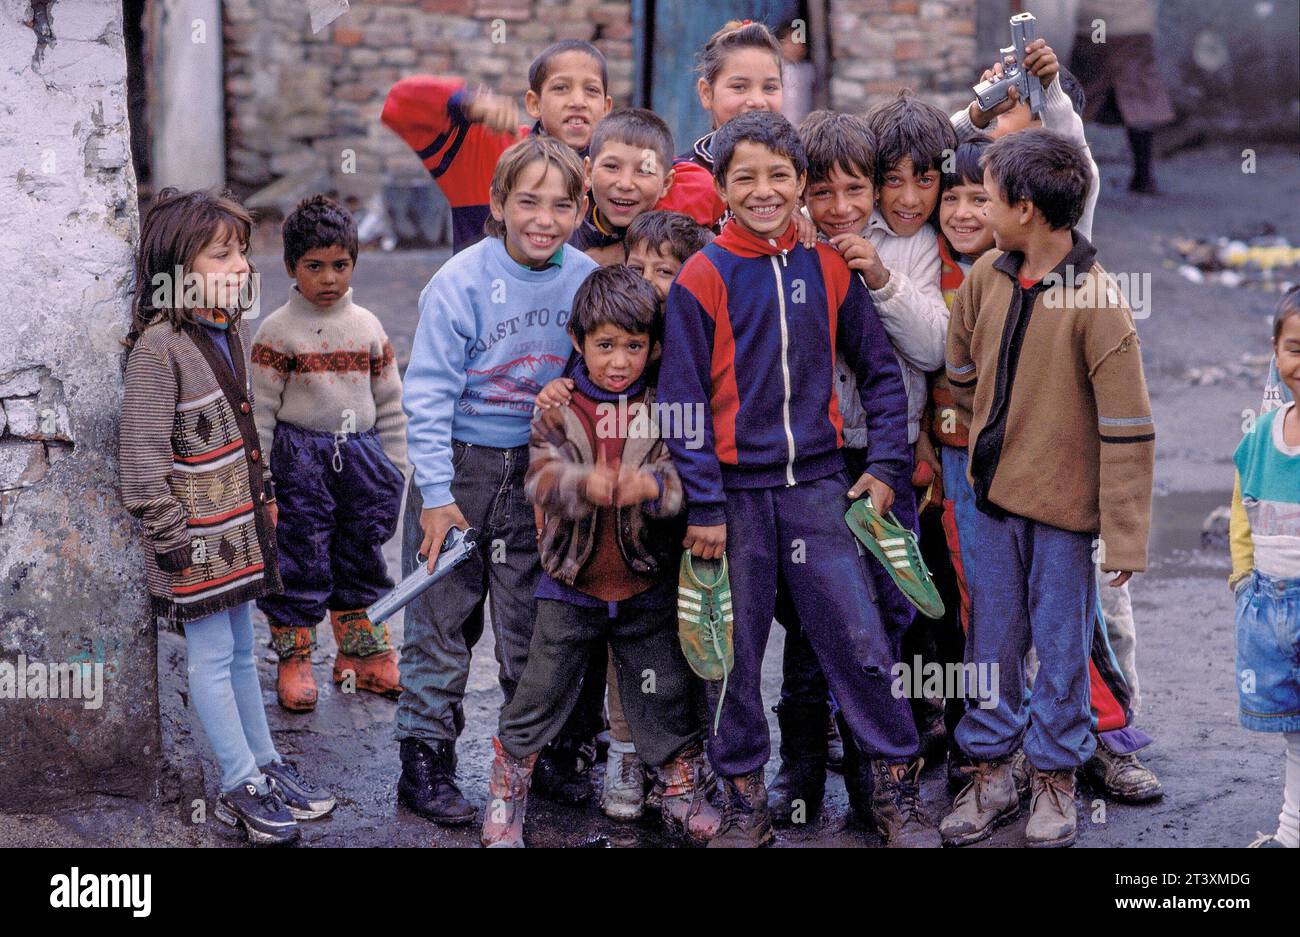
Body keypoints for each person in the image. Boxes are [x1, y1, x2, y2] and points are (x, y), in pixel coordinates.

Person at [658, 110, 936, 848]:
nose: (764, 190)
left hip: (820, 490)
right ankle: (746, 802)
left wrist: (882, 467)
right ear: (720, 186)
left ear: (800, 186)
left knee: (863, 640)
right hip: (733, 501)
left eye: (780, 175)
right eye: (745, 176)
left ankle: (892, 793)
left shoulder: (829, 267)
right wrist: (705, 505)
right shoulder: (701, 277)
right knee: (735, 655)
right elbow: (682, 407)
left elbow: (880, 374)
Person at [950, 43, 1164, 803]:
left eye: (990, 193)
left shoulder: (1097, 295)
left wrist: (1126, 531)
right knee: (995, 641)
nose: (975, 204)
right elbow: (962, 372)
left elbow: (1130, 425)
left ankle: (1069, 766)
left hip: (1071, 513)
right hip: (997, 501)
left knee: (1083, 639)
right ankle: (992, 768)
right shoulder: (987, 274)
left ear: (1026, 206)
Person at [119, 188, 333, 845]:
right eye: (222, 254)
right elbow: (141, 461)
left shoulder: (228, 331)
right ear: (175, 272)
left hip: (238, 535)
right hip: (195, 543)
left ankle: (264, 761)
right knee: (212, 657)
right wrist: (171, 538)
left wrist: (263, 498)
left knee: (244, 650)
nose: (241, 264)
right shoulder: (160, 349)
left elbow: (243, 432)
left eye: (241, 251)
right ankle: (238, 784)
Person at [396, 136, 598, 826]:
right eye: (528, 201)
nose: (543, 218)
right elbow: (425, 394)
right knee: (440, 619)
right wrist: (436, 496)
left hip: (538, 473)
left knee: (530, 624)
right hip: (458, 465)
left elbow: (601, 366)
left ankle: (529, 757)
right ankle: (424, 761)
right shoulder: (460, 281)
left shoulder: (584, 278)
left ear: (580, 209)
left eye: (561, 204)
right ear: (499, 204)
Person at [481, 266, 718, 847]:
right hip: (570, 583)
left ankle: (679, 788)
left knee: (660, 689)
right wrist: (585, 483)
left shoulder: (667, 407)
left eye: (634, 346)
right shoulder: (558, 410)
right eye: (604, 345)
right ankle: (507, 790)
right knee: (541, 688)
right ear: (579, 343)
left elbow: (688, 476)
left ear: (654, 347)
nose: (618, 361)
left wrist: (655, 488)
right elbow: (540, 480)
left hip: (645, 583)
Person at [767, 101, 955, 827]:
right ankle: (801, 769)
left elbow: (932, 347)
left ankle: (886, 777)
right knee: (815, 620)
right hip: (813, 461)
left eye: (856, 189)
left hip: (889, 451)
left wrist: (877, 275)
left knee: (887, 612)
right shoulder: (787, 245)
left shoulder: (903, 247)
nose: (842, 206)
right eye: (823, 191)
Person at [536, 209, 715, 820]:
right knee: (608, 657)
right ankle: (624, 755)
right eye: (637, 266)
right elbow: (556, 454)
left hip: (663, 547)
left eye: (665, 271)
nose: (649, 280)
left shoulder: (680, 364)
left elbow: (688, 462)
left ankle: (687, 765)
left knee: (683, 648)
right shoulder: (588, 375)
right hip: (592, 559)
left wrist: (658, 488)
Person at [250, 196, 407, 712]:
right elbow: (263, 411)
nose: (328, 278)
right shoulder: (276, 331)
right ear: (292, 267)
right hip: (300, 459)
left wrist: (394, 465)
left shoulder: (367, 326)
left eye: (340, 265)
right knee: (300, 552)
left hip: (360, 456)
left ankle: (359, 656)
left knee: (361, 551)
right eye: (314, 266)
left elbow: (389, 401)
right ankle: (295, 660)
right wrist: (264, 479)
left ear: (354, 264)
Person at [381, 40, 613, 254]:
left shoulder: (619, 172)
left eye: (591, 90)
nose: (578, 101)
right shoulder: (492, 147)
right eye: (561, 88)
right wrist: (466, 103)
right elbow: (399, 105)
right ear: (534, 103)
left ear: (606, 107)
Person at [1232, 286, 1300, 849]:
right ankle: (1291, 830)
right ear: (1276, 353)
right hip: (1269, 603)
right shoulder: (1260, 435)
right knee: (1294, 730)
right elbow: (1243, 507)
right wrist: (1241, 577)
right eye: (1295, 348)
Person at [1068, 0, 1175, 194]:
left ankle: (1066, 174)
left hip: (1091, 25)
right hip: (1134, 27)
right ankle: (1143, 177)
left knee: (1081, 99)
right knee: (1139, 98)